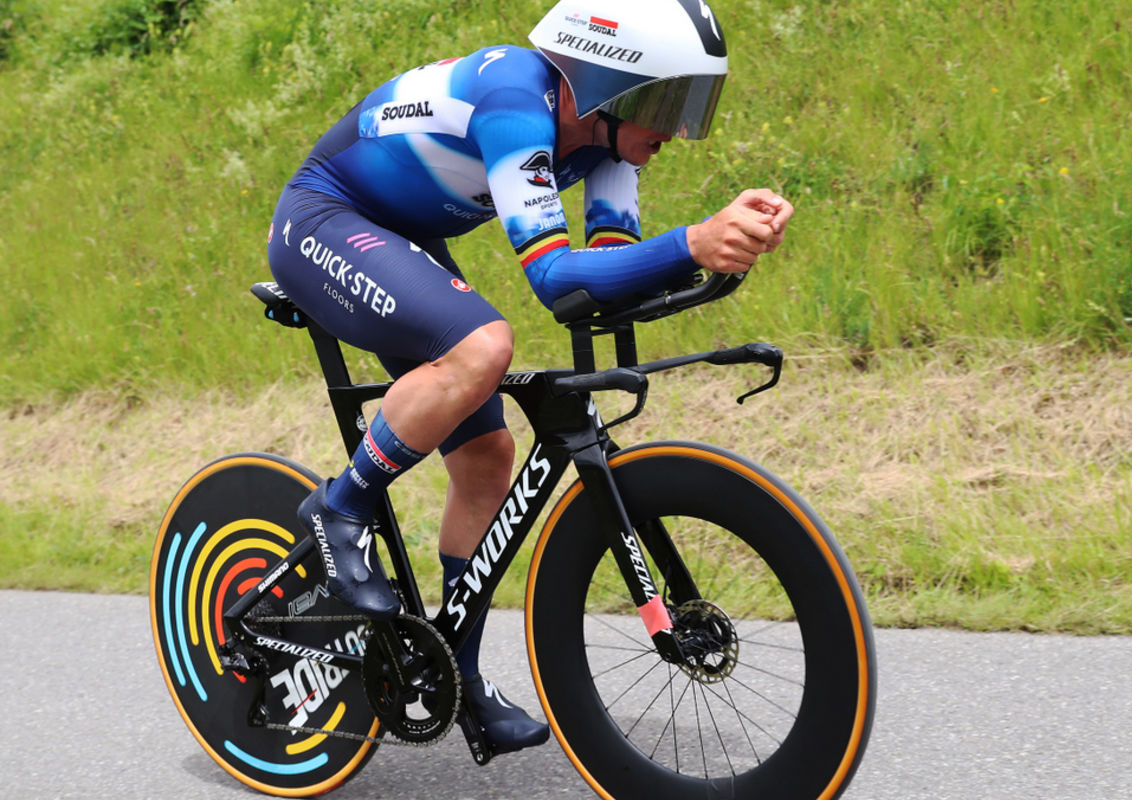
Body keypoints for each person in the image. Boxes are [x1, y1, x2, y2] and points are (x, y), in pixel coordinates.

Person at [265, 0, 793, 753]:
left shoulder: (608, 143)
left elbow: (607, 281)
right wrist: (694, 241)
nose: (676, 129)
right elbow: (554, 279)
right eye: (666, 101)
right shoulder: (517, 100)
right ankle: (338, 510)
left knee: (487, 457)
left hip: (399, 238)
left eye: (691, 105)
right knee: (484, 347)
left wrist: (722, 250)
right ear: (608, 84)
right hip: (324, 219)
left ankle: (458, 675)